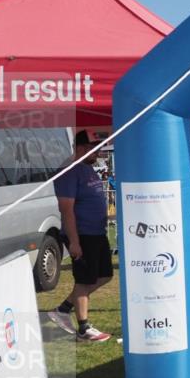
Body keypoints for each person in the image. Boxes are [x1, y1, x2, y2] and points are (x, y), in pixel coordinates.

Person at [47, 130, 113, 342]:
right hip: (82, 234)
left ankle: (63, 309)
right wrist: (74, 241)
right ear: (80, 148)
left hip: (97, 233)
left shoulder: (88, 168)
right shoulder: (69, 171)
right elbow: (66, 209)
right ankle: (84, 329)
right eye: (94, 148)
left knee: (105, 275)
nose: (98, 152)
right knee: (84, 280)